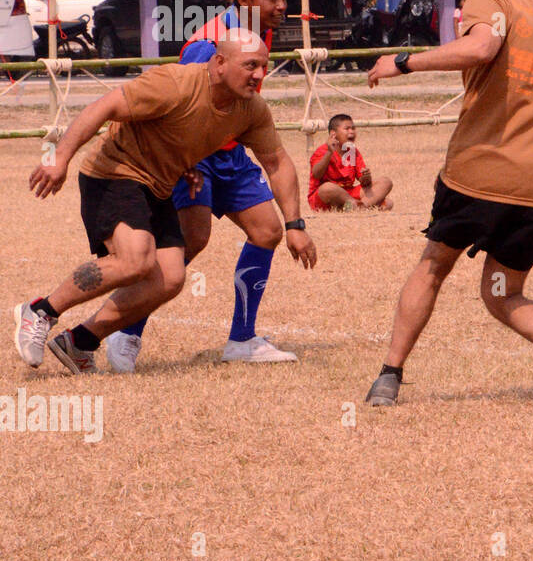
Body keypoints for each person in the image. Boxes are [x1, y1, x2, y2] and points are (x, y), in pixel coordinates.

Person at [362, 0, 533, 408]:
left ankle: (389, 377)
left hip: (477, 174)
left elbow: (481, 48)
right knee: (503, 292)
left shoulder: (489, 2)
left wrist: (402, 61)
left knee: (432, 267)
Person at [14, 28, 317, 374]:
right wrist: (60, 157)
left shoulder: (250, 109)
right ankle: (41, 310)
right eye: (250, 65)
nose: (260, 75)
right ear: (219, 63)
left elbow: (276, 161)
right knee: (135, 260)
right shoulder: (174, 83)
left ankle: (80, 341)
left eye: (264, 66)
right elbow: (103, 107)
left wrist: (294, 225)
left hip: (157, 187)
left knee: (170, 278)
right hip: (113, 173)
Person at [103, 0, 302, 371]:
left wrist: (297, 222)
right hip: (195, 158)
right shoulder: (208, 44)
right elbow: (173, 106)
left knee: (267, 231)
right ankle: (124, 329)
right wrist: (179, 162)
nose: (283, 6)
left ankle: (242, 340)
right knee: (189, 243)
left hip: (231, 153)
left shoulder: (255, 36)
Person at [308, 113, 394, 211]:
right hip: (326, 197)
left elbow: (363, 182)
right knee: (327, 188)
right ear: (333, 134)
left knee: (385, 182)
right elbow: (316, 174)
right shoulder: (322, 151)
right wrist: (329, 153)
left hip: (349, 194)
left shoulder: (352, 151)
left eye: (353, 128)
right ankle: (357, 205)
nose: (351, 132)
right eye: (347, 129)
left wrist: (366, 178)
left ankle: (360, 206)